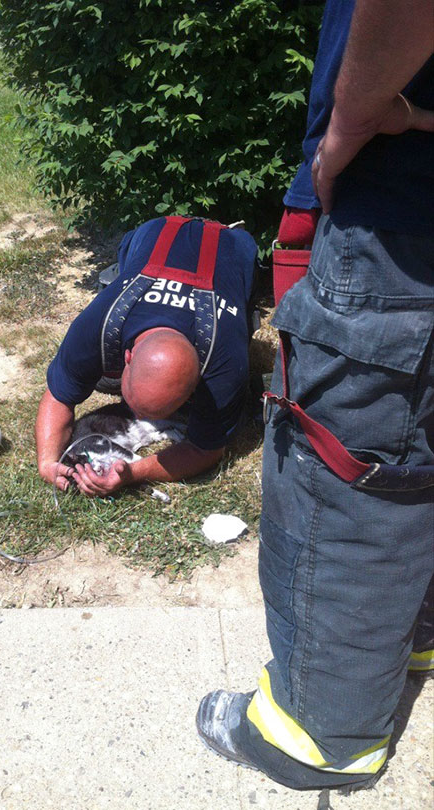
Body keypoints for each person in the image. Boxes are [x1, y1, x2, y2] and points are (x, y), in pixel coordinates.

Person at [196, 0, 434, 792]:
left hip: (405, 217)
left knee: (350, 475)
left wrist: (353, 122)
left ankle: (316, 734)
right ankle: (414, 634)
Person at [35, 216, 258, 497]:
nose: (137, 417)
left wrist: (132, 474)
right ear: (126, 355)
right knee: (100, 378)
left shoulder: (224, 360)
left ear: (200, 377)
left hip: (233, 246)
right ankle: (121, 271)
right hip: (158, 229)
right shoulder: (98, 324)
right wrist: (47, 461)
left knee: (230, 414)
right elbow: (59, 395)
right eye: (137, 407)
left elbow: (206, 450)